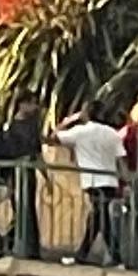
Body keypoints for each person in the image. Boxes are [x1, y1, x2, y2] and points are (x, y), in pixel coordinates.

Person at [53, 98, 128, 266]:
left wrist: (69, 120)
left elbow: (53, 137)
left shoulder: (80, 131)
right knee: (100, 218)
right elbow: (121, 160)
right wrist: (126, 182)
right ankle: (109, 256)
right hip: (109, 181)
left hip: (93, 181)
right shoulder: (112, 133)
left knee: (98, 218)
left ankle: (89, 254)